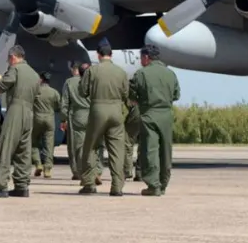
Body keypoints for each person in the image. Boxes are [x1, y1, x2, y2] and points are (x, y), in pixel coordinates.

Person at [0, 45, 40, 198]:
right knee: (24, 150)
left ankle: (0, 185)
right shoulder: (34, 74)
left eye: (9, 59)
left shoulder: (15, 69)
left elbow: (3, 85)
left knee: (5, 147)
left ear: (13, 57)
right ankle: (22, 186)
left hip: (16, 109)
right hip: (29, 112)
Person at [78, 41, 129, 196]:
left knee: (90, 147)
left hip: (97, 110)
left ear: (98, 55)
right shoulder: (121, 72)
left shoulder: (92, 71)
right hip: (116, 111)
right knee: (116, 150)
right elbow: (126, 94)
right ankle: (117, 187)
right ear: (111, 54)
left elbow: (82, 92)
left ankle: (89, 184)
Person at [130, 44, 180, 196]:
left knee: (150, 149)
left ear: (146, 57)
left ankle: (153, 185)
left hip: (149, 114)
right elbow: (176, 95)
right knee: (165, 149)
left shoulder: (141, 74)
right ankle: (163, 183)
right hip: (166, 115)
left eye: (141, 58)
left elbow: (132, 94)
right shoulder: (170, 74)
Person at [59, 62, 99, 182]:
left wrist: (63, 119)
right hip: (93, 115)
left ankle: (79, 172)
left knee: (76, 146)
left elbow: (65, 102)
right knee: (92, 146)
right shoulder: (94, 81)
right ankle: (94, 170)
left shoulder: (70, 82)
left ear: (74, 70)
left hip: (77, 116)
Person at [31, 72, 60, 178]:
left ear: (41, 79)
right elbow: (58, 106)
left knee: (33, 142)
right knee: (49, 145)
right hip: (49, 119)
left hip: (36, 119)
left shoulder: (36, 91)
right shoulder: (54, 92)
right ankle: (47, 169)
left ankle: (38, 163)